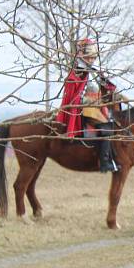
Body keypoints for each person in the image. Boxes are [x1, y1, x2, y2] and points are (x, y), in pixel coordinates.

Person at [55, 38, 119, 173]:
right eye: (88, 57)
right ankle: (104, 162)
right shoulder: (77, 72)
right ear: (82, 56)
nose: (91, 60)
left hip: (98, 106)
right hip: (85, 108)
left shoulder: (94, 71)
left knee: (115, 122)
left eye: (92, 57)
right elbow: (75, 92)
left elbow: (105, 87)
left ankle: (112, 158)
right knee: (105, 127)